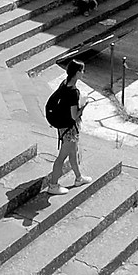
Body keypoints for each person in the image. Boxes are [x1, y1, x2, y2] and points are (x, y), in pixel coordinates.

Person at [44, 57, 85, 190]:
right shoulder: (74, 92)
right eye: (82, 71)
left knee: (73, 153)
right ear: (77, 73)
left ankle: (79, 178)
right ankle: (53, 185)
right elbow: (74, 116)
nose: (83, 73)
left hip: (64, 127)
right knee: (62, 157)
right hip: (69, 128)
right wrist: (83, 107)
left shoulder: (64, 83)